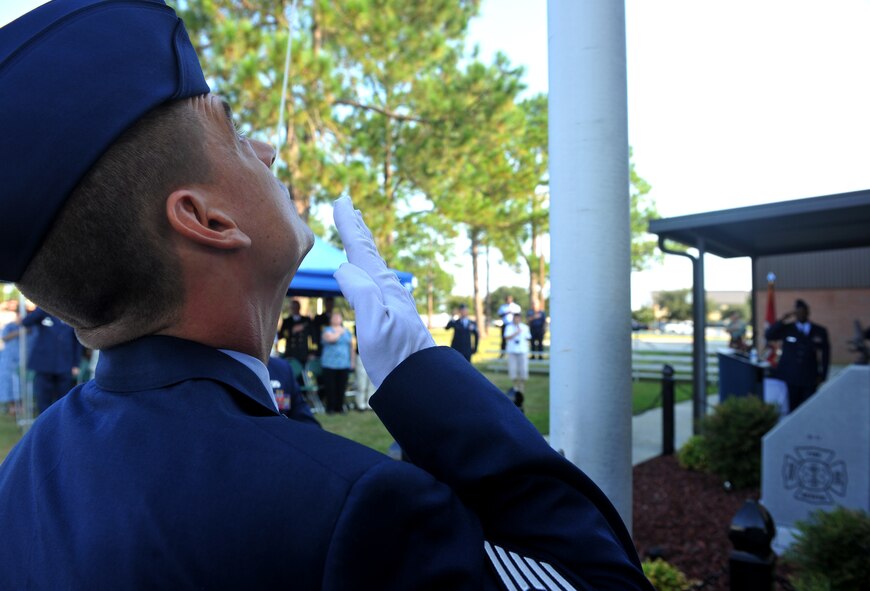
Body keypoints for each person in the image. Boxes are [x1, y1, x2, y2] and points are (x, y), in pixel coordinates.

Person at [0, 2, 652, 589]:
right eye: (232, 133)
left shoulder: (28, 470)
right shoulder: (353, 510)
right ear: (209, 220)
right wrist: (427, 379)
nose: (266, 149)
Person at [765, 299, 830, 413]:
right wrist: (782, 320)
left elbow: (826, 354)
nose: (800, 314)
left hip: (809, 377)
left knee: (808, 409)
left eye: (802, 311)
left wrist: (823, 375)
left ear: (807, 312)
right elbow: (769, 335)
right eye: (797, 312)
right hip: (789, 377)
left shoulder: (819, 331)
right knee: (791, 408)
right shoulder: (787, 329)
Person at [21, 306, 83, 414]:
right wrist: (44, 305)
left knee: (63, 399)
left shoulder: (71, 316)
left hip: (65, 364)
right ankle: (44, 425)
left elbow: (77, 343)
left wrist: (76, 364)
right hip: (44, 364)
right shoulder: (44, 312)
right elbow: (26, 322)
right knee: (43, 398)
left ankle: (60, 425)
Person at [320, 311, 354, 414]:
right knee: (331, 387)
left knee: (341, 386)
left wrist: (352, 361)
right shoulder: (327, 330)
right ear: (331, 320)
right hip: (329, 364)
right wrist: (339, 331)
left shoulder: (347, 332)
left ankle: (340, 407)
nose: (337, 319)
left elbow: (351, 347)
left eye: (338, 317)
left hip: (344, 364)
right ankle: (330, 408)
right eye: (334, 317)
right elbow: (331, 339)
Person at [504, 309, 531, 408]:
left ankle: (521, 387)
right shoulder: (509, 327)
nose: (517, 319)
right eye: (515, 318)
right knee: (513, 371)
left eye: (518, 318)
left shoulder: (525, 327)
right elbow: (506, 337)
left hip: (522, 352)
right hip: (512, 352)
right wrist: (516, 333)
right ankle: (515, 388)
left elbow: (528, 338)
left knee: (523, 371)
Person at [0, 308, 23, 416]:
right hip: (9, 359)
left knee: (21, 383)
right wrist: (19, 332)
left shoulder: (29, 326)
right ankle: (12, 407)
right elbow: (4, 337)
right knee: (9, 383)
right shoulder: (10, 326)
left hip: (22, 359)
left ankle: (21, 406)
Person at [278, 298, 312, 365]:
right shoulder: (287, 321)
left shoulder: (306, 320)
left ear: (299, 308)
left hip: (303, 353)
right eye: (293, 307)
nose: (295, 309)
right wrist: (292, 331)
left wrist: (312, 352)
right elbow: (280, 335)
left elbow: (313, 336)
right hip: (290, 353)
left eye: (296, 307)